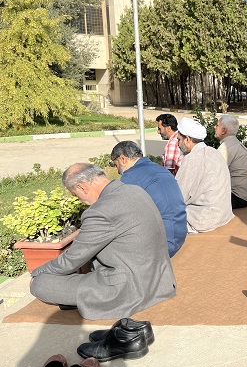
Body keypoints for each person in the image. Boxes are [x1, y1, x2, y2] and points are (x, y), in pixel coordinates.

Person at [30, 163, 176, 320]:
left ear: (82, 187)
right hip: (160, 283)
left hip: (129, 290)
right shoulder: (136, 190)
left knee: (41, 284)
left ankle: (84, 300)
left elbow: (71, 260)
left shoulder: (100, 211)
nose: (79, 200)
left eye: (75, 195)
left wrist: (37, 272)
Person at [110, 141, 187, 257]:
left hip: (162, 243)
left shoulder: (130, 176)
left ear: (122, 159)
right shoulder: (160, 169)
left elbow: (119, 212)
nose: (117, 171)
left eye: (115, 164)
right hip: (180, 234)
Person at [175, 117, 234, 233]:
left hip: (203, 219)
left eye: (179, 140)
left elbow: (178, 196)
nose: (178, 144)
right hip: (223, 215)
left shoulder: (192, 159)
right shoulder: (214, 152)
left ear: (187, 139)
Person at [214, 115, 247, 209]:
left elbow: (214, 174)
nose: (214, 127)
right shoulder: (235, 143)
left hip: (238, 197)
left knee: (199, 199)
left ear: (223, 131)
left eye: (217, 125)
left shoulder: (225, 148)